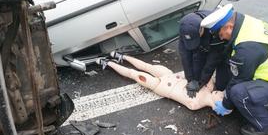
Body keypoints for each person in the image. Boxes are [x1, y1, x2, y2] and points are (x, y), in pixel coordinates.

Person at [200, 4, 268, 135]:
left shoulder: (247, 49)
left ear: (229, 27)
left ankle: (266, 125)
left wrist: (225, 105)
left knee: (238, 93)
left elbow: (238, 80)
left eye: (221, 34)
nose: (221, 38)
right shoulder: (246, 22)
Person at [96, 51, 226, 112]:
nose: (221, 94)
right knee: (146, 66)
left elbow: (190, 102)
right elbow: (205, 72)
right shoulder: (210, 87)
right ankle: (121, 56)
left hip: (162, 86)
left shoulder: (195, 104)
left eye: (222, 97)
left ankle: (108, 64)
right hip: (172, 76)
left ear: (217, 104)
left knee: (133, 74)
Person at [178, 11, 231, 99]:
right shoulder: (184, 29)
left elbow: (212, 61)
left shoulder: (215, 29)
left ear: (201, 29)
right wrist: (191, 80)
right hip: (206, 40)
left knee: (221, 84)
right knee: (197, 56)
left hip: (223, 46)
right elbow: (185, 56)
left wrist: (201, 82)